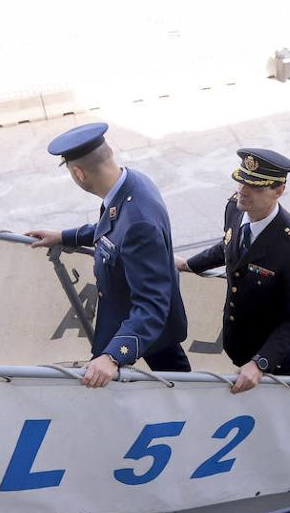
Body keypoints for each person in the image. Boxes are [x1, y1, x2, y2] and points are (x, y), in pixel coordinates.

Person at [25, 123, 190, 387]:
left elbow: (152, 305)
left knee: (180, 391)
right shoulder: (131, 183)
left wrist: (112, 357)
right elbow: (113, 230)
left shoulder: (139, 222)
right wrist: (65, 236)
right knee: (178, 383)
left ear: (78, 174)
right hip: (136, 324)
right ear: (110, 152)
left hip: (139, 329)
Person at [182, 149, 290, 392]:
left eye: (255, 187)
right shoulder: (235, 207)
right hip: (237, 342)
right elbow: (229, 244)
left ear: (278, 191)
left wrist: (260, 364)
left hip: (270, 364)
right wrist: (189, 264)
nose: (243, 190)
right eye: (242, 181)